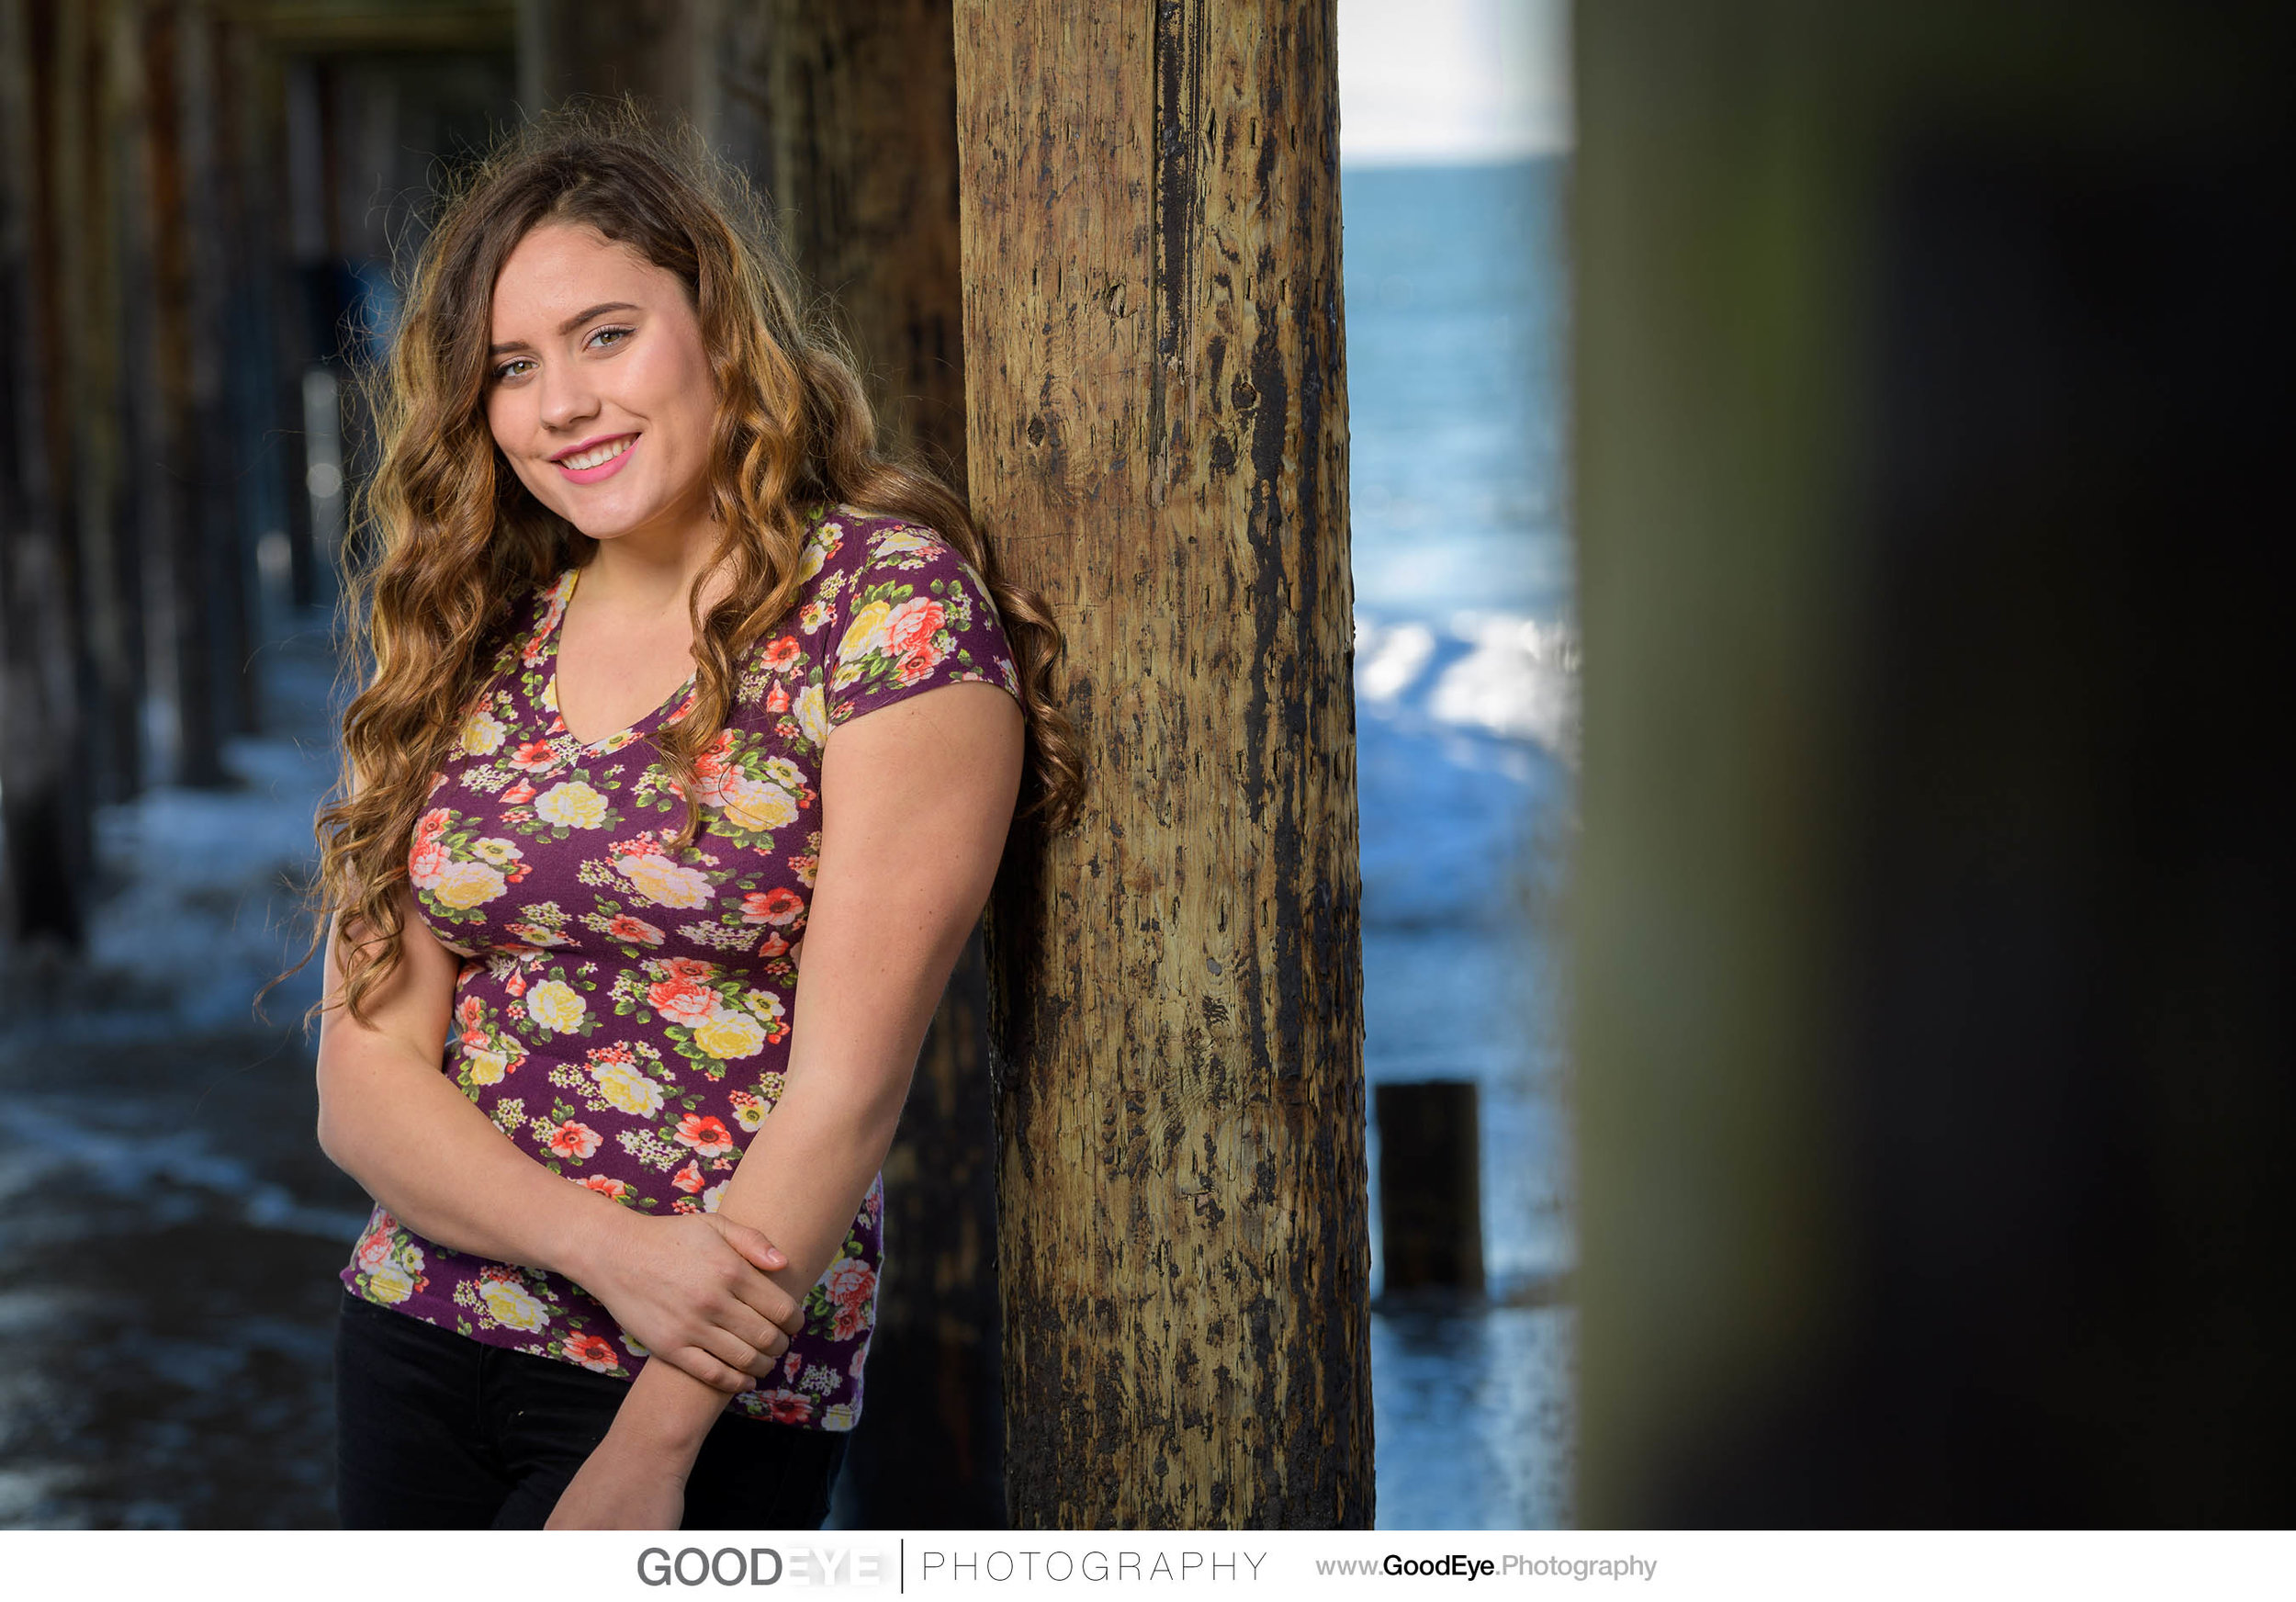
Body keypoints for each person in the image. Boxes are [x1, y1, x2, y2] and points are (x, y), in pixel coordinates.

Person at [290, 108, 1083, 1530]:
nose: (560, 404)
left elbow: (845, 1094)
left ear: (716, 328)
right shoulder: (470, 630)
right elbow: (364, 1082)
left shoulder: (883, 611)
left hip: (701, 1381)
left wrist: (652, 1448)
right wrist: (605, 1245)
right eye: (510, 370)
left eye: (606, 337)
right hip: (417, 1330)